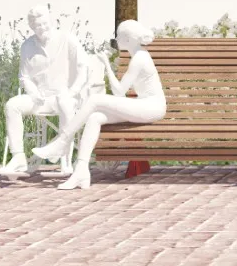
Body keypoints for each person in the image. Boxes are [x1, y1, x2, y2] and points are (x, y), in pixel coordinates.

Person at [32, 20, 167, 190]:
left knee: (95, 100)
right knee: (95, 118)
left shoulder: (139, 58)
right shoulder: (139, 55)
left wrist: (106, 66)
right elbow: (121, 93)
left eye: (119, 36)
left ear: (127, 39)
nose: (116, 39)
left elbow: (119, 92)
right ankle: (81, 172)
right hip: (145, 105)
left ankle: (62, 141)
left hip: (152, 107)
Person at [0, 5, 93, 175]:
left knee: (65, 103)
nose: (42, 28)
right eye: (38, 25)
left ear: (51, 21)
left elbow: (83, 67)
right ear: (32, 27)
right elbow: (24, 77)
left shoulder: (67, 39)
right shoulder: (27, 46)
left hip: (67, 96)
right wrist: (33, 92)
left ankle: (65, 159)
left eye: (45, 24)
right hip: (40, 98)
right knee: (12, 105)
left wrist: (73, 91)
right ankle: (18, 158)